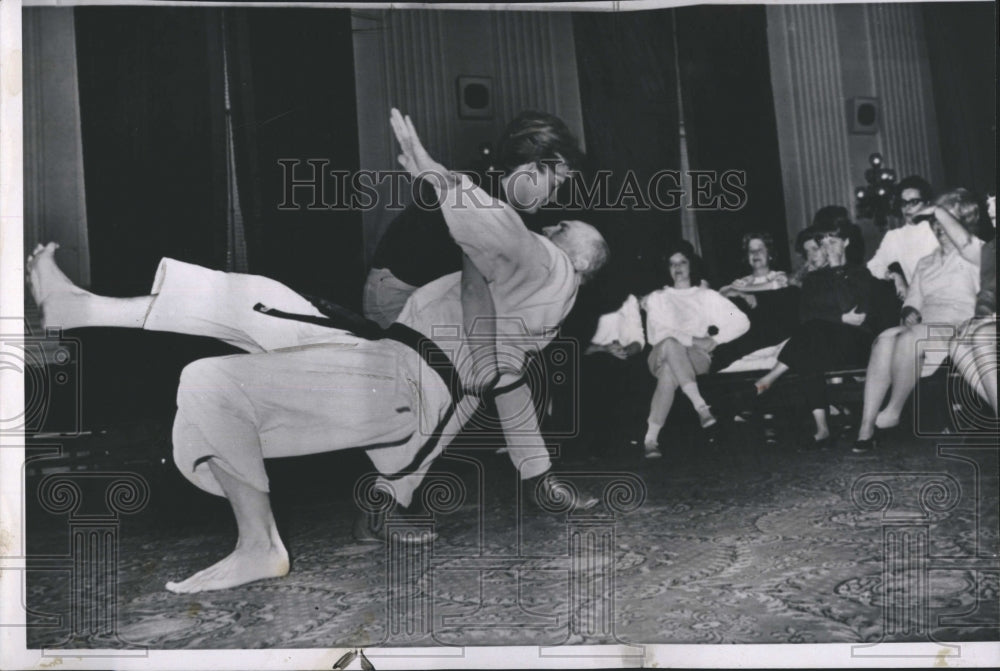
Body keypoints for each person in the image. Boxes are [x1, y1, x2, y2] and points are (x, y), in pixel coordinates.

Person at [26, 109, 609, 594]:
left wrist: (438, 175)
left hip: (396, 382)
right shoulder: (515, 292)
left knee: (259, 312)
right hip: (387, 368)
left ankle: (87, 313)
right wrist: (533, 475)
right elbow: (486, 393)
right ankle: (258, 545)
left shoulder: (551, 270)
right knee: (231, 350)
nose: (554, 219)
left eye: (564, 227)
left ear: (578, 265)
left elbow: (501, 237)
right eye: (557, 201)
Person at [363, 110, 583, 492]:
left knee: (498, 370)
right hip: (396, 297)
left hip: (430, 295)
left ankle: (539, 481)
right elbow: (473, 292)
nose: (555, 195)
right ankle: (387, 495)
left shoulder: (498, 195)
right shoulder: (491, 197)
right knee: (472, 378)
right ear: (532, 167)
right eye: (556, 182)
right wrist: (484, 365)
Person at [853, 189, 985, 452]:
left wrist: (938, 210)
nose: (939, 228)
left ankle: (893, 409)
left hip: (961, 324)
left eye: (944, 222)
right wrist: (908, 311)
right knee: (885, 338)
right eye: (936, 223)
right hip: (928, 323)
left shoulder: (976, 252)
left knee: (910, 338)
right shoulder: (926, 262)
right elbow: (914, 298)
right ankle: (865, 427)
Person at [754, 220, 876, 446]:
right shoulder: (814, 279)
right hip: (822, 342)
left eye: (833, 241)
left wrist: (838, 270)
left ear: (846, 242)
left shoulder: (860, 273)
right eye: (824, 243)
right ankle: (822, 429)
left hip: (856, 343)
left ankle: (772, 376)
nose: (828, 247)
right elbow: (806, 316)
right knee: (810, 343)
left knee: (812, 335)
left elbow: (856, 313)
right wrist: (838, 317)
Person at [640, 240, 750, 458]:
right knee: (671, 345)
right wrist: (693, 339)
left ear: (691, 265)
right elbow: (657, 335)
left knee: (670, 371)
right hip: (660, 354)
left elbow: (741, 321)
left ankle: (650, 439)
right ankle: (701, 406)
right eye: (672, 264)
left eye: (683, 262)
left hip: (696, 360)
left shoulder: (706, 296)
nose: (678, 267)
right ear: (667, 268)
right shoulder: (657, 298)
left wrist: (716, 341)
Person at [713, 232, 799, 372]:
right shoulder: (742, 282)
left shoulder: (779, 276)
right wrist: (740, 292)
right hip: (750, 341)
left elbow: (776, 285)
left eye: (760, 249)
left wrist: (747, 291)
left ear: (769, 254)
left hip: (777, 337)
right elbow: (721, 293)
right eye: (751, 251)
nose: (755, 253)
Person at [947, 192, 997, 417]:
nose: (996, 224)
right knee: (958, 342)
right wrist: (980, 318)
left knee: (981, 336)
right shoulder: (992, 249)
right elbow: (988, 293)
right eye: (994, 219)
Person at [866, 175, 939, 299]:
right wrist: (894, 276)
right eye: (903, 203)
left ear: (927, 203)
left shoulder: (940, 229)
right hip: (920, 304)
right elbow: (873, 265)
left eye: (914, 202)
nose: (907, 207)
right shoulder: (895, 237)